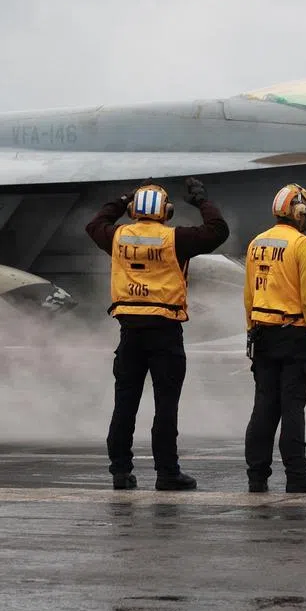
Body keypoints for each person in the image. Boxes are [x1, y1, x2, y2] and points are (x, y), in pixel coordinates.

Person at [85, 177, 229, 490]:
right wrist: (202, 200)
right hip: (165, 332)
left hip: (129, 332)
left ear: (134, 209)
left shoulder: (117, 236)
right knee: (165, 407)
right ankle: (167, 473)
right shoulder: (176, 238)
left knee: (125, 405)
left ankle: (120, 472)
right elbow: (218, 230)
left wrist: (123, 198)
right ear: (167, 211)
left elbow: (95, 224)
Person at [243, 183, 306, 493]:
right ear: (300, 212)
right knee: (292, 407)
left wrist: (250, 331)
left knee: (264, 407)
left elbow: (249, 296)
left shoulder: (256, 243)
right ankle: (297, 475)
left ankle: (257, 476)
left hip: (263, 334)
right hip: (296, 336)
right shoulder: (302, 245)